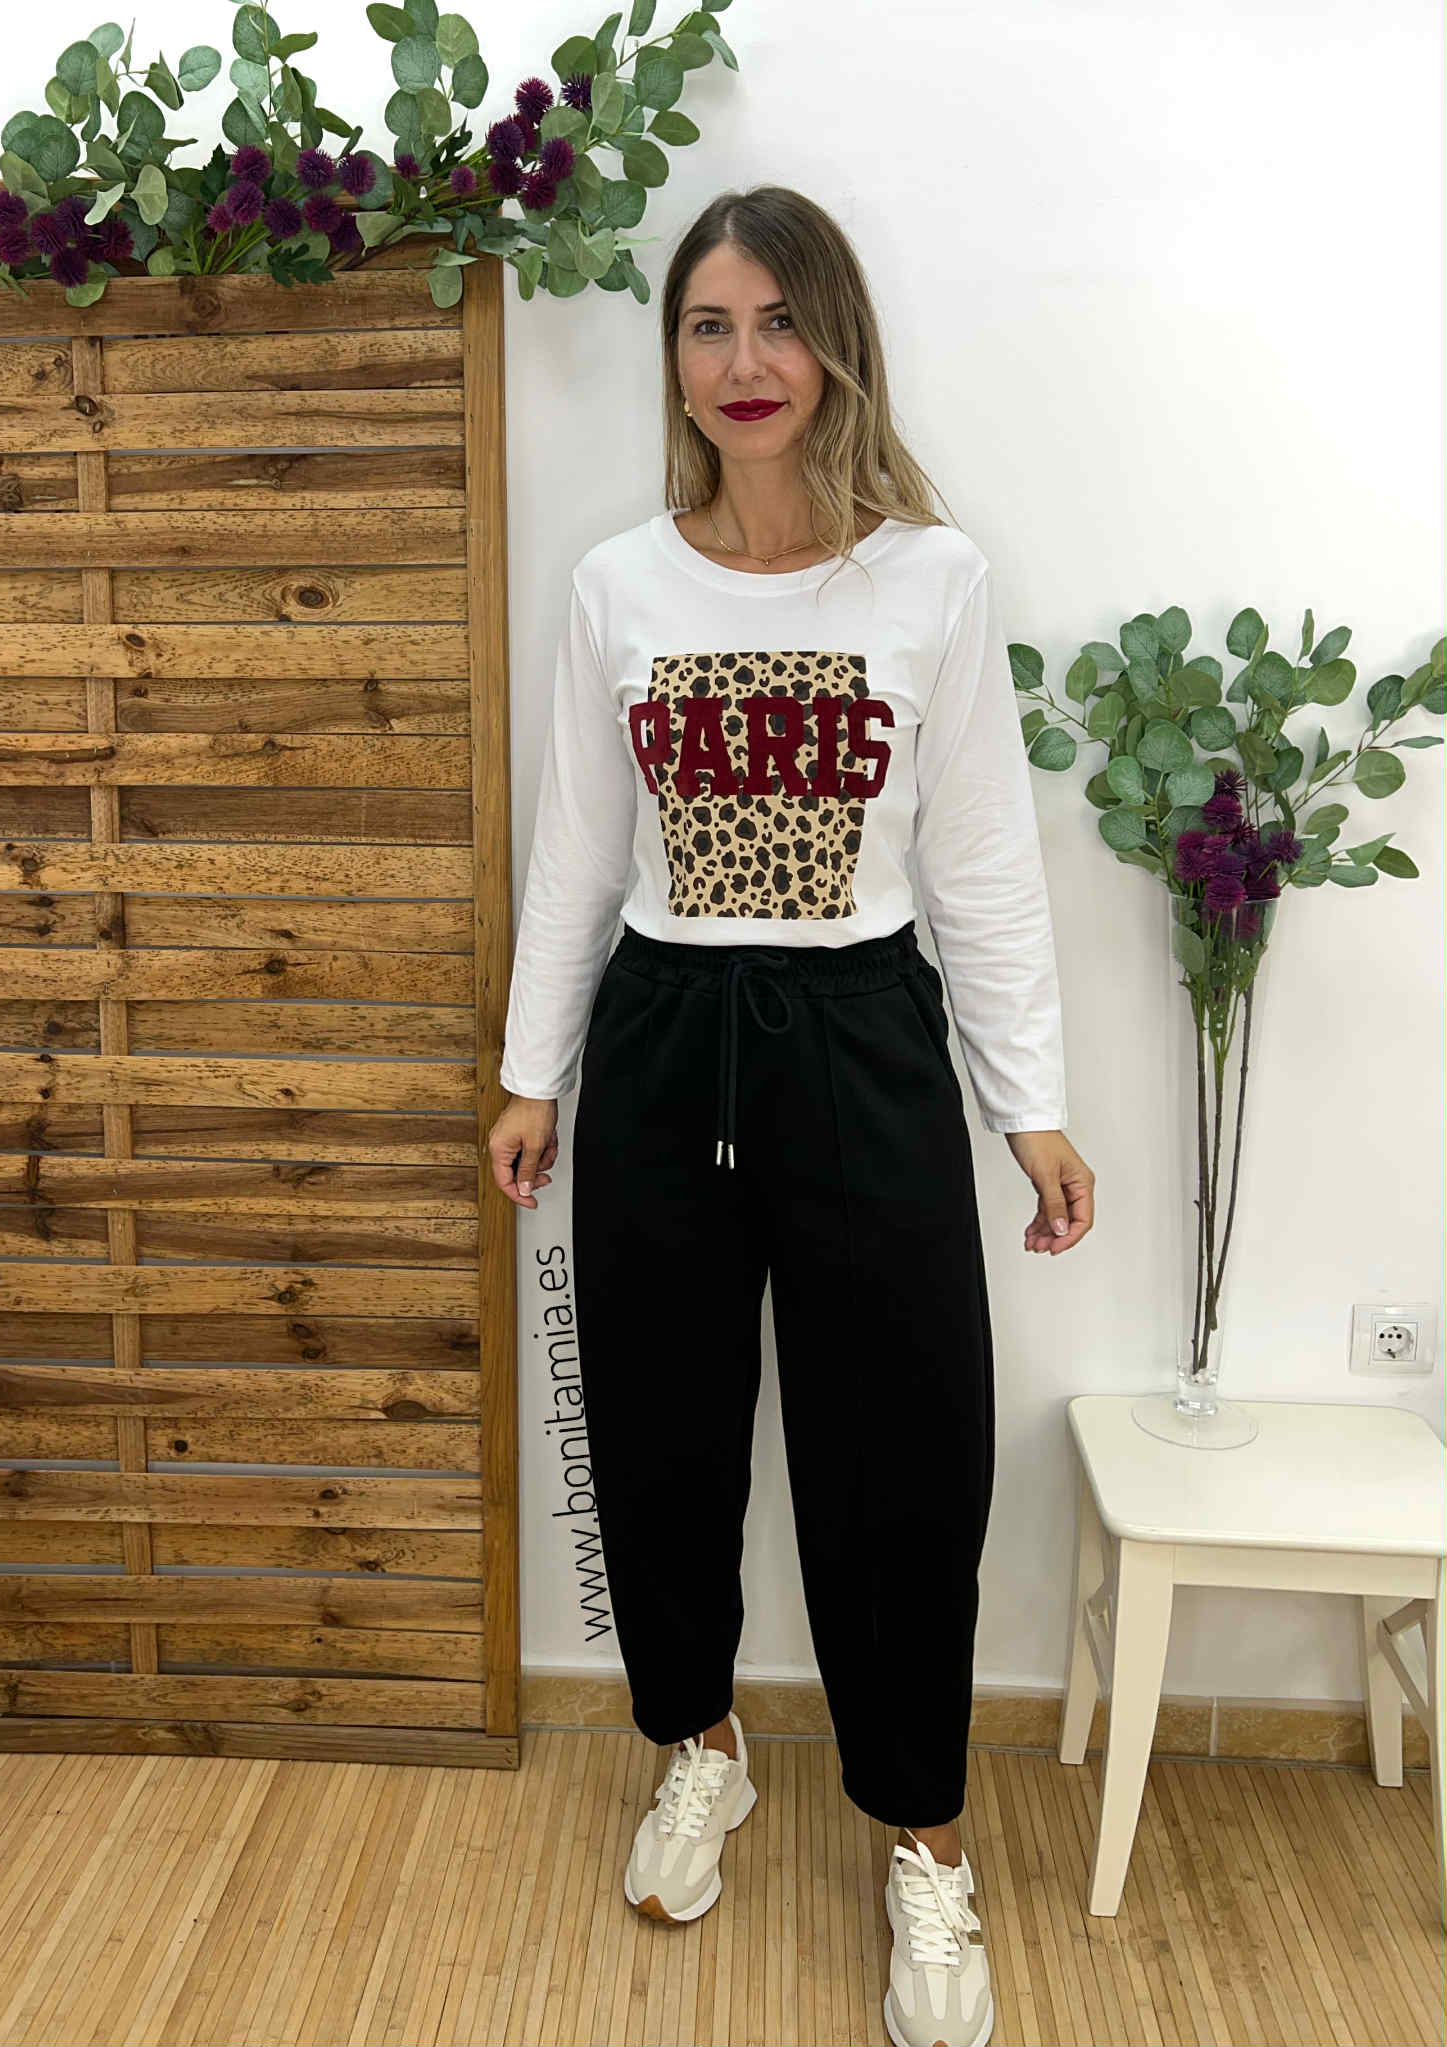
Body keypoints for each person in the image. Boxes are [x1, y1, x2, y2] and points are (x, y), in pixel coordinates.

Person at [487, 183, 1096, 2047]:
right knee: (660, 1433)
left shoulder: (930, 579)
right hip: (668, 1036)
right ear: (674, 357)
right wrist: (533, 1069)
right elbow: (583, 847)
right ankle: (702, 1746)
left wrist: (1031, 1107)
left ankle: (925, 1840)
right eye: (706, 324)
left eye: (775, 321)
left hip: (858, 1036)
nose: (742, 362)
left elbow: (981, 860)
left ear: (833, 343)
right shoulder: (619, 584)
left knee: (902, 1455)